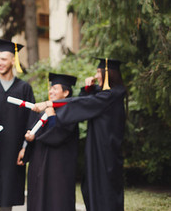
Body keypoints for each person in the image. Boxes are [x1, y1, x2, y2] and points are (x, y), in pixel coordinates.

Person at [33, 58, 126, 211]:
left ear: (108, 74)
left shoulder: (112, 95)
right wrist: (88, 88)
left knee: (105, 190)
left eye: (98, 72)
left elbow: (84, 104)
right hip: (98, 148)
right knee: (91, 188)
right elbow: (87, 100)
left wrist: (50, 104)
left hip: (106, 152)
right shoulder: (106, 95)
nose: (96, 76)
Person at [0, 39, 35, 211]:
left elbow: (31, 120)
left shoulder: (24, 89)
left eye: (3, 59)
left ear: (13, 60)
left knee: (7, 195)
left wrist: (25, 147)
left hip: (13, 150)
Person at [24, 73, 79, 211]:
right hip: (40, 166)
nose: (51, 91)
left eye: (55, 88)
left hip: (59, 168)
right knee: (38, 201)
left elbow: (57, 136)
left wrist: (52, 116)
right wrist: (30, 140)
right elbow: (38, 136)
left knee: (57, 202)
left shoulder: (70, 112)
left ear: (66, 92)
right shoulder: (44, 111)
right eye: (50, 88)